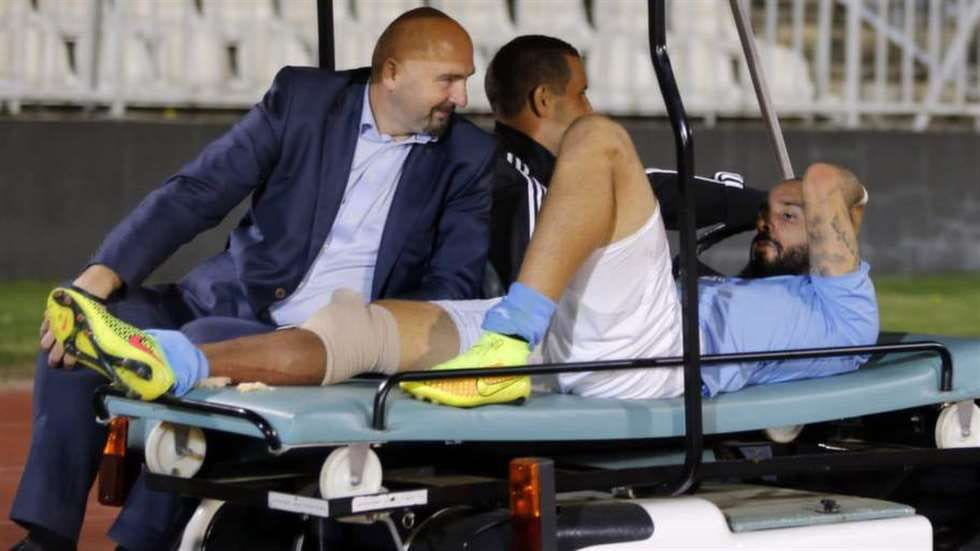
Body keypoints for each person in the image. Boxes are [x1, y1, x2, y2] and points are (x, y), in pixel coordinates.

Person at [39, 39, 876, 410]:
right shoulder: (754, 285)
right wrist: (775, 211)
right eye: (771, 217)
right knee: (363, 326)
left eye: (789, 222)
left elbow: (827, 180)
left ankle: (507, 339)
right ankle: (177, 361)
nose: (769, 225)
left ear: (839, 234)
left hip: (651, 356)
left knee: (601, 139)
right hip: (576, 337)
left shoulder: (846, 308)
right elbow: (808, 201)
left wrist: (801, 197)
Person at [11, 7, 496, 551]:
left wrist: (372, 342)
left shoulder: (469, 156)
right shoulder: (304, 101)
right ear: (391, 71)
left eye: (465, 80)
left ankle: (139, 543)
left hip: (318, 345)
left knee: (199, 348)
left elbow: (451, 287)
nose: (461, 97)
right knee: (80, 324)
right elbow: (198, 191)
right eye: (448, 80)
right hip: (221, 299)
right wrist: (98, 276)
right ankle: (45, 537)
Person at [485, 35, 765, 288]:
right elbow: (532, 302)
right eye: (581, 94)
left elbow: (648, 190)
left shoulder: (534, 171)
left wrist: (758, 203)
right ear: (543, 100)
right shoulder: (515, 186)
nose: (590, 109)